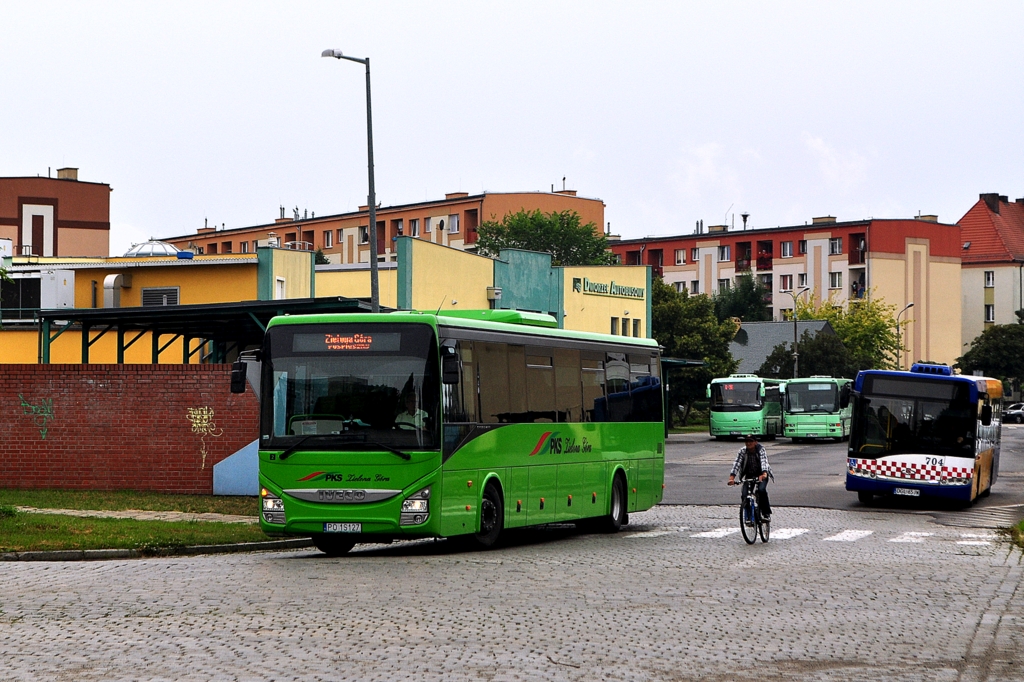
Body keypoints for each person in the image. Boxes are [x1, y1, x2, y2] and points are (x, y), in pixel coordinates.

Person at [727, 434, 773, 519]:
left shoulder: (760, 449)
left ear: (755, 442)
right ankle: (748, 515)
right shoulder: (742, 451)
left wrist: (764, 473)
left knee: (761, 490)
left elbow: (764, 461)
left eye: (751, 441)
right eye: (746, 441)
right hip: (749, 474)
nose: (748, 443)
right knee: (745, 494)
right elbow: (737, 464)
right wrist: (732, 477)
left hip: (761, 473)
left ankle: (766, 513)